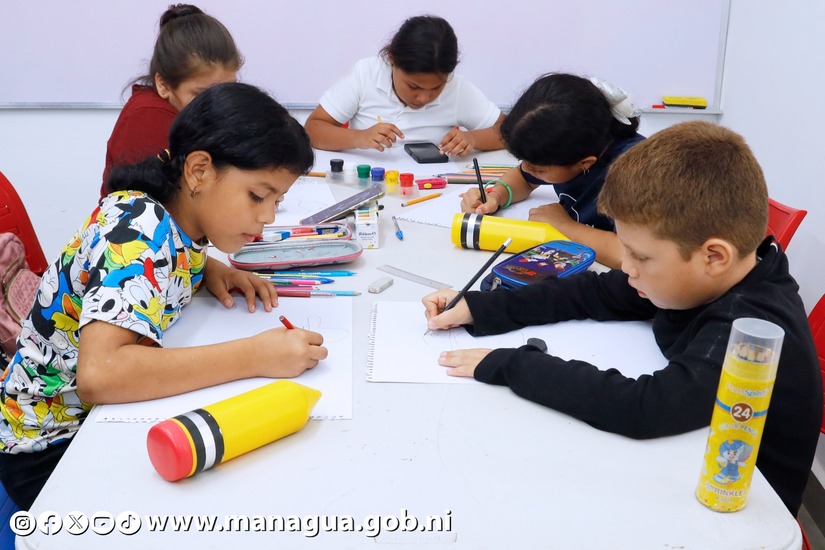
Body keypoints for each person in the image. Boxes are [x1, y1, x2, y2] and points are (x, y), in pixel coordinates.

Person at [425, 121, 822, 516]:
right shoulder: (697, 278)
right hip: (688, 466)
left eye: (640, 256)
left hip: (740, 514)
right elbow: (594, 291)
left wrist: (512, 364)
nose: (626, 266)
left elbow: (644, 407)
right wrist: (481, 307)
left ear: (714, 257)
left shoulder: (746, 330)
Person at [0, 83, 327, 510]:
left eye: (277, 201)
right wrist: (255, 355)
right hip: (50, 446)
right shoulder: (136, 230)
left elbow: (164, 260)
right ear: (199, 171)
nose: (267, 217)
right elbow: (101, 375)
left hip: (99, 422)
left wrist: (211, 269)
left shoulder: (175, 217)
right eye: (258, 196)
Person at [460, 73, 645, 268]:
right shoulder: (574, 146)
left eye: (538, 170)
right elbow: (523, 178)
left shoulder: (635, 174)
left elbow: (632, 255)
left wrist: (564, 226)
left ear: (585, 163)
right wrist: (496, 196)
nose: (526, 168)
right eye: (524, 161)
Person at [304, 15, 504, 157]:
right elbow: (313, 129)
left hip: (433, 186)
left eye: (436, 88)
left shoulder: (457, 88)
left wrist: (473, 138)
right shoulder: (365, 74)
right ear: (392, 59)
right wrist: (359, 137)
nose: (423, 98)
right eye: (413, 86)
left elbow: (509, 132)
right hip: (367, 182)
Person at [100, 3, 241, 197]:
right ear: (163, 85)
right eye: (200, 95)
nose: (217, 105)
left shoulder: (192, 117)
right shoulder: (149, 118)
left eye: (227, 91)